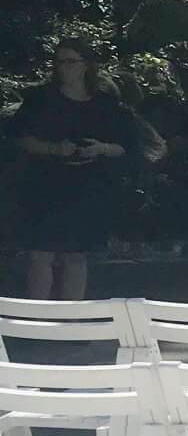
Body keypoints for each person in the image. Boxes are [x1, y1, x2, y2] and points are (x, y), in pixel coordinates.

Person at [10, 39, 145, 300]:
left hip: (87, 186)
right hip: (45, 184)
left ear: (86, 65)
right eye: (60, 62)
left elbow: (127, 146)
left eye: (71, 62)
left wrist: (100, 148)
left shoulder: (106, 104)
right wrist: (53, 148)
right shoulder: (40, 99)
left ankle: (72, 319)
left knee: (76, 257)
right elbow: (20, 137)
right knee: (41, 254)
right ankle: (37, 318)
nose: (64, 68)